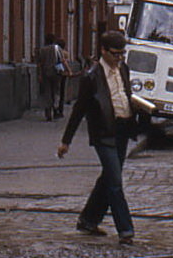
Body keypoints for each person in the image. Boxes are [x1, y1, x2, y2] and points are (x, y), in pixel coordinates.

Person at [57, 30, 142, 245]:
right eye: (115, 54)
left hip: (123, 129)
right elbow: (79, 110)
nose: (119, 58)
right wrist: (66, 141)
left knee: (108, 177)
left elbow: (125, 95)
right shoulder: (91, 76)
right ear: (103, 51)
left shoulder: (124, 69)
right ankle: (126, 229)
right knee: (115, 181)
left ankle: (88, 219)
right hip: (104, 133)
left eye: (122, 53)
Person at [36, 34, 63, 122]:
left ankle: (48, 113)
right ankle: (55, 109)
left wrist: (39, 75)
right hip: (56, 73)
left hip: (46, 73)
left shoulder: (42, 50)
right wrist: (62, 71)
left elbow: (40, 64)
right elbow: (60, 61)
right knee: (55, 91)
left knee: (47, 92)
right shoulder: (57, 49)